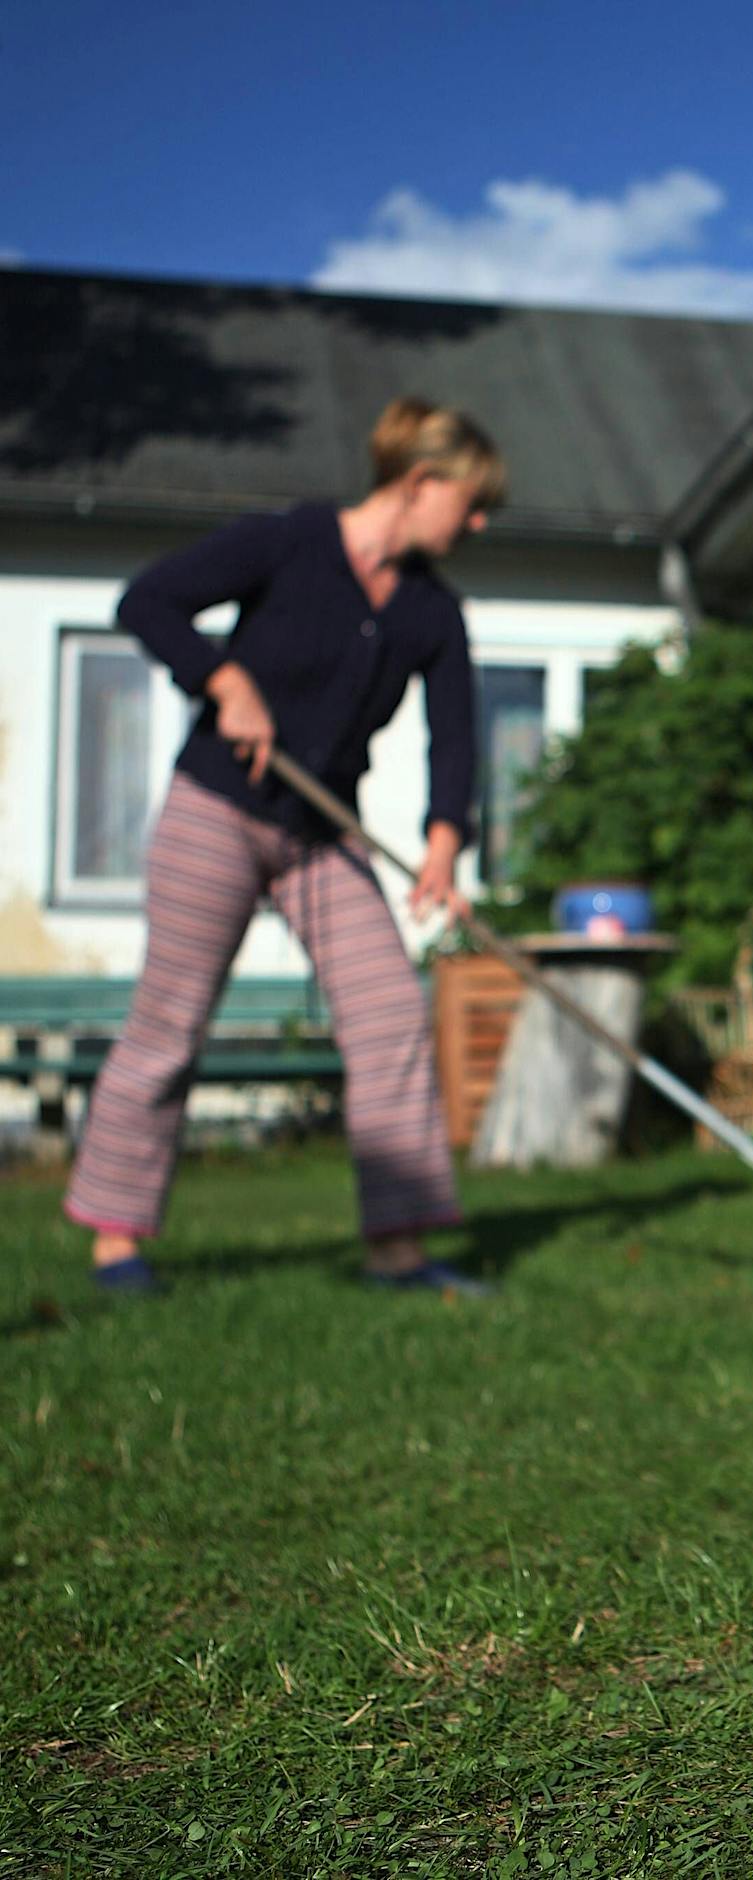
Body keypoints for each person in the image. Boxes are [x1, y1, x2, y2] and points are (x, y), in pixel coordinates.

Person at [64, 396, 506, 1295]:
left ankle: (398, 1252)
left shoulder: (432, 611)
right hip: (216, 810)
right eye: (473, 499)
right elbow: (147, 602)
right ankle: (118, 1244)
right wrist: (224, 678)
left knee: (389, 1017)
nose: (482, 519)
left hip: (320, 833)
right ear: (420, 485)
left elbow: (453, 736)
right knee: (171, 1024)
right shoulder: (291, 542)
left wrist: (444, 845)